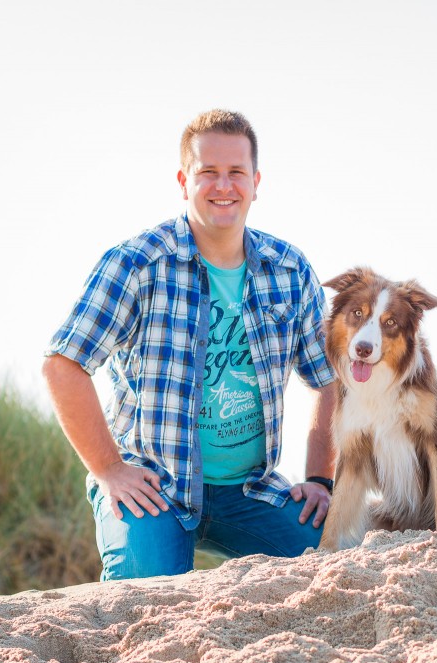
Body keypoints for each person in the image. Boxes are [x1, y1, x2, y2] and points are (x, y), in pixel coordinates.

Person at [42, 109, 337, 580]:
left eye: (236, 172)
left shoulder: (289, 269)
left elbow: (328, 379)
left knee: (333, 556)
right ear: (184, 181)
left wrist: (321, 478)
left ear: (256, 182)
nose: (224, 186)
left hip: (249, 490)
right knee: (144, 594)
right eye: (208, 173)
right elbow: (63, 364)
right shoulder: (137, 263)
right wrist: (110, 470)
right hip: (153, 484)